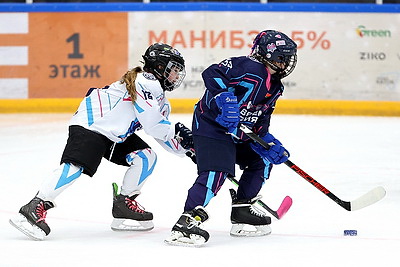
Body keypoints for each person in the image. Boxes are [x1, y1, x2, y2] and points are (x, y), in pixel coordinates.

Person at [10, 43, 194, 241]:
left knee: (146, 157)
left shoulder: (161, 100)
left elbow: (161, 134)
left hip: (113, 135)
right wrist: (178, 132)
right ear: (159, 67)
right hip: (92, 125)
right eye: (173, 70)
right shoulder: (146, 81)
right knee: (75, 167)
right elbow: (153, 125)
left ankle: (124, 203)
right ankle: (36, 205)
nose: (176, 76)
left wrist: (189, 150)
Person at [165, 30, 298, 247]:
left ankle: (242, 209)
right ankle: (186, 222)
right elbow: (211, 73)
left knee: (261, 160)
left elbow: (260, 123)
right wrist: (225, 99)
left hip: (236, 132)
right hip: (210, 127)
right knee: (217, 171)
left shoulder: (275, 87)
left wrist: (268, 143)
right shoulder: (247, 67)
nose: (287, 64)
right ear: (269, 54)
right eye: (283, 58)